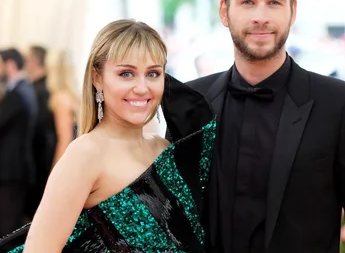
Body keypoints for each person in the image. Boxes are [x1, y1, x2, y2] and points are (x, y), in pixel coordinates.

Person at [183, 0, 345, 252]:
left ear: (293, 11)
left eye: (274, 2)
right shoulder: (188, 103)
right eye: (247, 1)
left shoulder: (341, 106)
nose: (261, 16)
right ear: (224, 11)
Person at [0, 19, 216, 252]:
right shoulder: (85, 154)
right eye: (126, 73)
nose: (142, 87)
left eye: (153, 73)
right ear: (97, 78)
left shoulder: (163, 148)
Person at [0, 48, 37, 237]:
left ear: (10, 65)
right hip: (13, 170)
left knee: (6, 228)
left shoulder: (19, 93)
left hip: (12, 171)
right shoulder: (21, 89)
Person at [25, 45, 56, 219]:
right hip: (35, 155)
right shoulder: (33, 86)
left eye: (27, 58)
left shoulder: (46, 89)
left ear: (36, 60)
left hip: (44, 155)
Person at [45, 49, 80, 166]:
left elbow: (65, 140)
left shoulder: (61, 99)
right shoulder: (73, 96)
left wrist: (54, 174)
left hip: (63, 161)